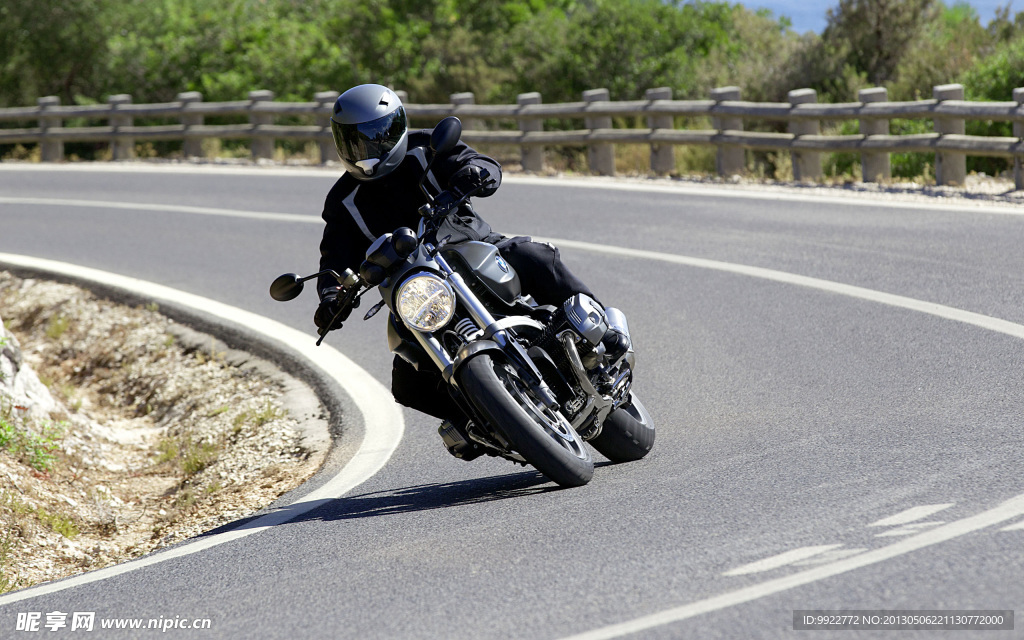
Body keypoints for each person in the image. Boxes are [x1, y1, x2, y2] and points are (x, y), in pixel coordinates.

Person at [315, 83, 625, 432]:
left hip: (472, 250)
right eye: (354, 141)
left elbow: (476, 161)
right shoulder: (342, 201)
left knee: (534, 255)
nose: (366, 150)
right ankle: (481, 423)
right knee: (407, 383)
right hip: (415, 291)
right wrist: (330, 295)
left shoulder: (426, 148)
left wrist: (474, 174)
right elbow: (333, 257)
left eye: (375, 137)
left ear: (396, 127)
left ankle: (608, 334)